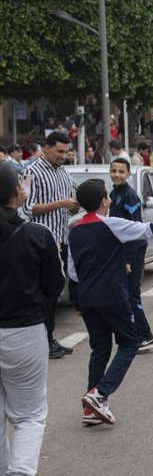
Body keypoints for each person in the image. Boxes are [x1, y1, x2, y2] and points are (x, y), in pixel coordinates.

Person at [70, 179, 153, 425]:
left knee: (100, 348)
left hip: (88, 298)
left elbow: (72, 272)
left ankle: (90, 408)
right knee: (129, 343)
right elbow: (151, 229)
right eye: (108, 197)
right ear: (104, 201)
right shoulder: (111, 224)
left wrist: (78, 301)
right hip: (112, 295)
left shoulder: (75, 231)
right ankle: (100, 394)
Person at [0, 163, 64, 476]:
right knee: (28, 415)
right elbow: (54, 287)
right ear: (16, 191)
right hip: (23, 331)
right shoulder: (37, 234)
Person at [23, 131, 78, 359]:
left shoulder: (64, 173)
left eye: (66, 151)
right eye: (59, 151)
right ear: (45, 149)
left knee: (53, 293)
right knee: (42, 294)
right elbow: (27, 207)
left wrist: (74, 206)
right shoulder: (29, 173)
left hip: (61, 241)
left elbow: (72, 203)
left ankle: (48, 339)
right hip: (41, 244)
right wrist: (61, 203)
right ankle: (40, 343)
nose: (63, 156)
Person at [107, 158, 153, 352]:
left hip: (133, 251)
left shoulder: (129, 196)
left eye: (121, 172)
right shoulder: (114, 193)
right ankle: (135, 335)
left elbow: (134, 230)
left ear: (128, 174)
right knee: (127, 295)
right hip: (122, 251)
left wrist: (128, 259)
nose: (117, 175)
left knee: (131, 295)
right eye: (114, 171)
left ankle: (146, 336)